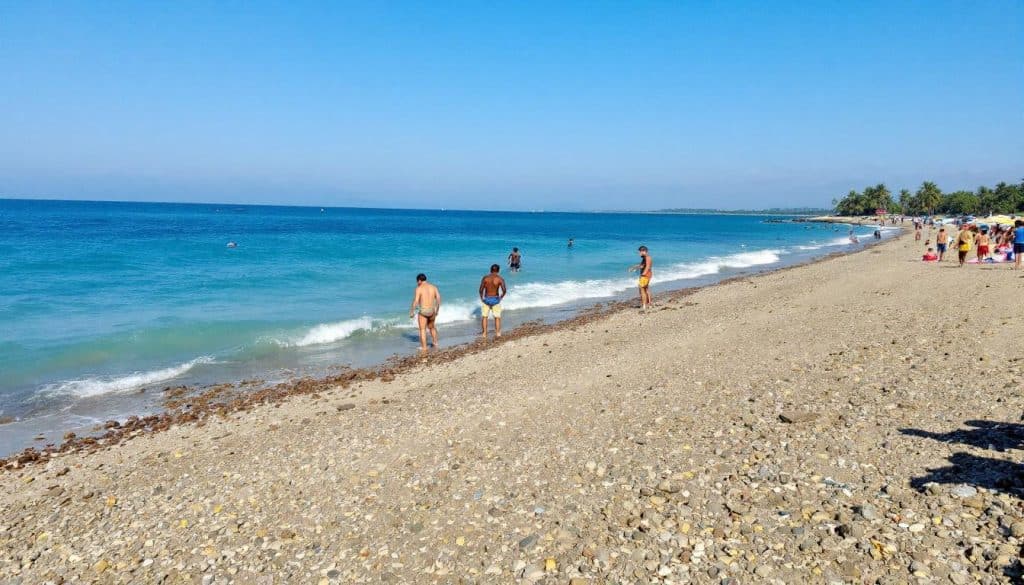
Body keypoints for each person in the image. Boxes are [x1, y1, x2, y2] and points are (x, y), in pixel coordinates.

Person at [409, 273, 441, 351]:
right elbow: (438, 299)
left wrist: (412, 311)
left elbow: (416, 301)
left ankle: (424, 347)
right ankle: (435, 343)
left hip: (423, 312)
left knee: (422, 330)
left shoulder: (419, 288)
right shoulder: (433, 287)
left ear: (419, 280)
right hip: (432, 311)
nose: (417, 283)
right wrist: (437, 310)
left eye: (417, 281)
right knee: (432, 327)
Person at [479, 264, 507, 338]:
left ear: (490, 270)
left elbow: (481, 290)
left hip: (487, 299)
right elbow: (504, 290)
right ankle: (498, 333)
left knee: (485, 317)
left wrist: (482, 298)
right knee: (497, 317)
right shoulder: (500, 279)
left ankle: (484, 333)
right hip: (495, 299)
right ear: (498, 270)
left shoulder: (485, 278)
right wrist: (500, 298)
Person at [629, 245, 653, 311]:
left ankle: (644, 305)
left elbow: (647, 267)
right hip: (647, 275)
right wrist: (633, 267)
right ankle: (649, 304)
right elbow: (642, 266)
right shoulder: (645, 258)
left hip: (645, 276)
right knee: (646, 290)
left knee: (642, 290)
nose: (639, 254)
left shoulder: (647, 258)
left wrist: (643, 274)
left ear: (644, 251)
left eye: (640, 252)